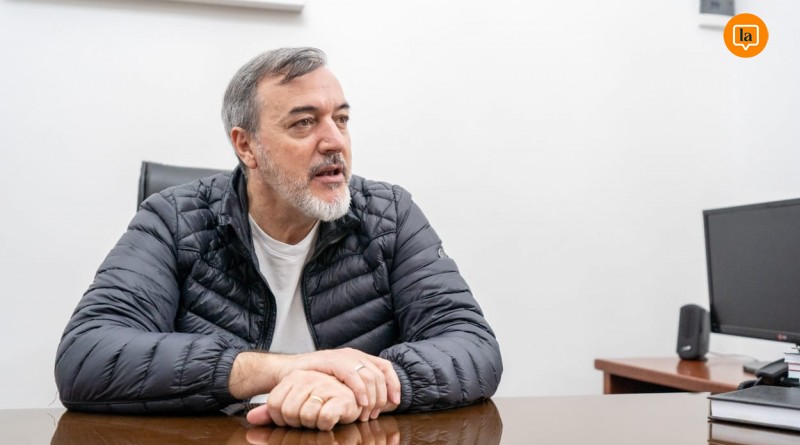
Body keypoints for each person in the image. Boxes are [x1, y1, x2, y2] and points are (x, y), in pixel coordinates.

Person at [55, 47, 502, 431]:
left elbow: (472, 346)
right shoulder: (174, 219)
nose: (334, 142)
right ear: (246, 146)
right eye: (304, 123)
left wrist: (364, 386)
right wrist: (285, 369)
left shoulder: (390, 216)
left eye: (341, 119)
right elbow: (87, 357)